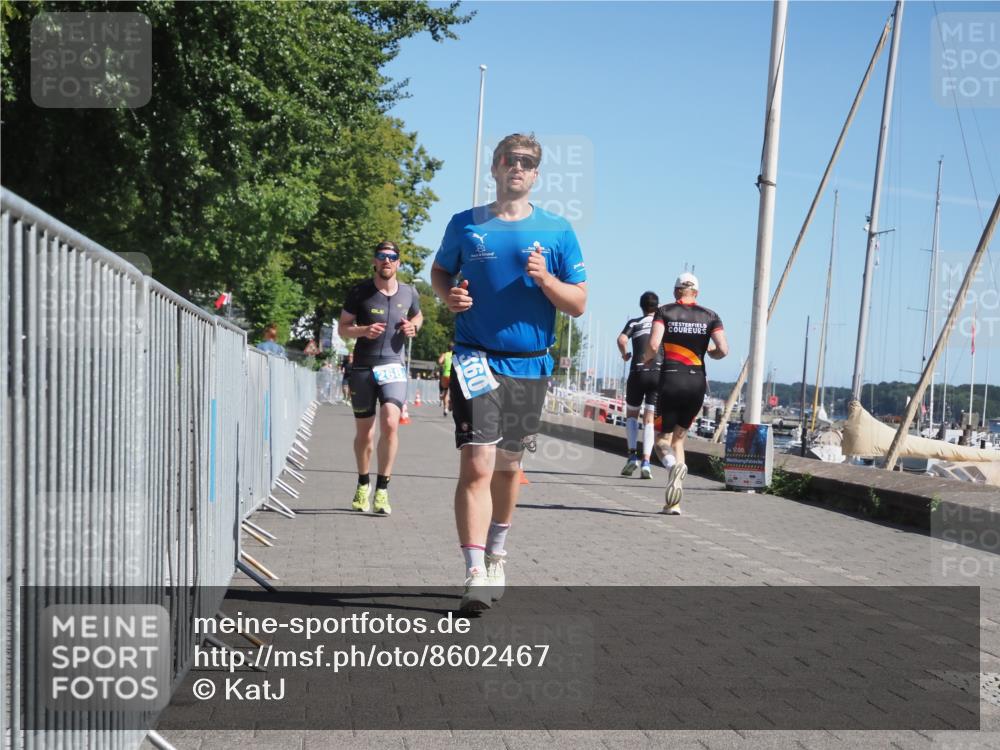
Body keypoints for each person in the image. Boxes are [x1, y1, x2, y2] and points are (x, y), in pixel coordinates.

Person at [432, 133, 587, 612]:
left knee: (508, 467)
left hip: (531, 364)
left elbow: (578, 304)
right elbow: (441, 273)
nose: (517, 167)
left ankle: (498, 552)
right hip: (475, 357)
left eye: (527, 162)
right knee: (478, 463)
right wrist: (448, 296)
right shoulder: (466, 224)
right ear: (495, 168)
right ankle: (475, 571)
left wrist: (545, 280)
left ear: (536, 174)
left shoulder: (558, 232)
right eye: (509, 160)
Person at [339, 240, 423, 516]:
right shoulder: (360, 292)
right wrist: (363, 331)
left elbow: (418, 316)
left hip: (393, 367)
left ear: (399, 263)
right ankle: (363, 483)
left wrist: (413, 327)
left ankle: (383, 489)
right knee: (365, 433)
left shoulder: (410, 292)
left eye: (392, 257)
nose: (387, 261)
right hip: (363, 368)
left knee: (390, 422)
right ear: (375, 261)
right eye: (382, 256)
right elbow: (343, 328)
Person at [643, 272, 728, 515]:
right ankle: (674, 502)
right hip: (697, 383)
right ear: (697, 293)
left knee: (662, 441)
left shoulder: (664, 311)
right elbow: (723, 349)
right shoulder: (711, 316)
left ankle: (671, 467)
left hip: (670, 379)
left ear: (675, 291)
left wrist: (646, 359)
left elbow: (652, 345)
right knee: (679, 439)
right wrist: (710, 353)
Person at [617, 291, 661, 480]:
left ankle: (632, 456)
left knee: (632, 415)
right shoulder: (662, 323)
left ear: (641, 306)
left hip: (637, 372)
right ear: (657, 306)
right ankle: (646, 462)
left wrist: (625, 354)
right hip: (657, 373)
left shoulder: (634, 322)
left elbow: (621, 339)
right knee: (649, 419)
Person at [437, 343, 455, 417]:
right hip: (454, 375)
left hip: (446, 374)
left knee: (446, 391)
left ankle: (445, 409)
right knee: (454, 392)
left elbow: (439, 361)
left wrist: (444, 364)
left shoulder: (445, 354)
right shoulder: (455, 355)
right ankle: (451, 405)